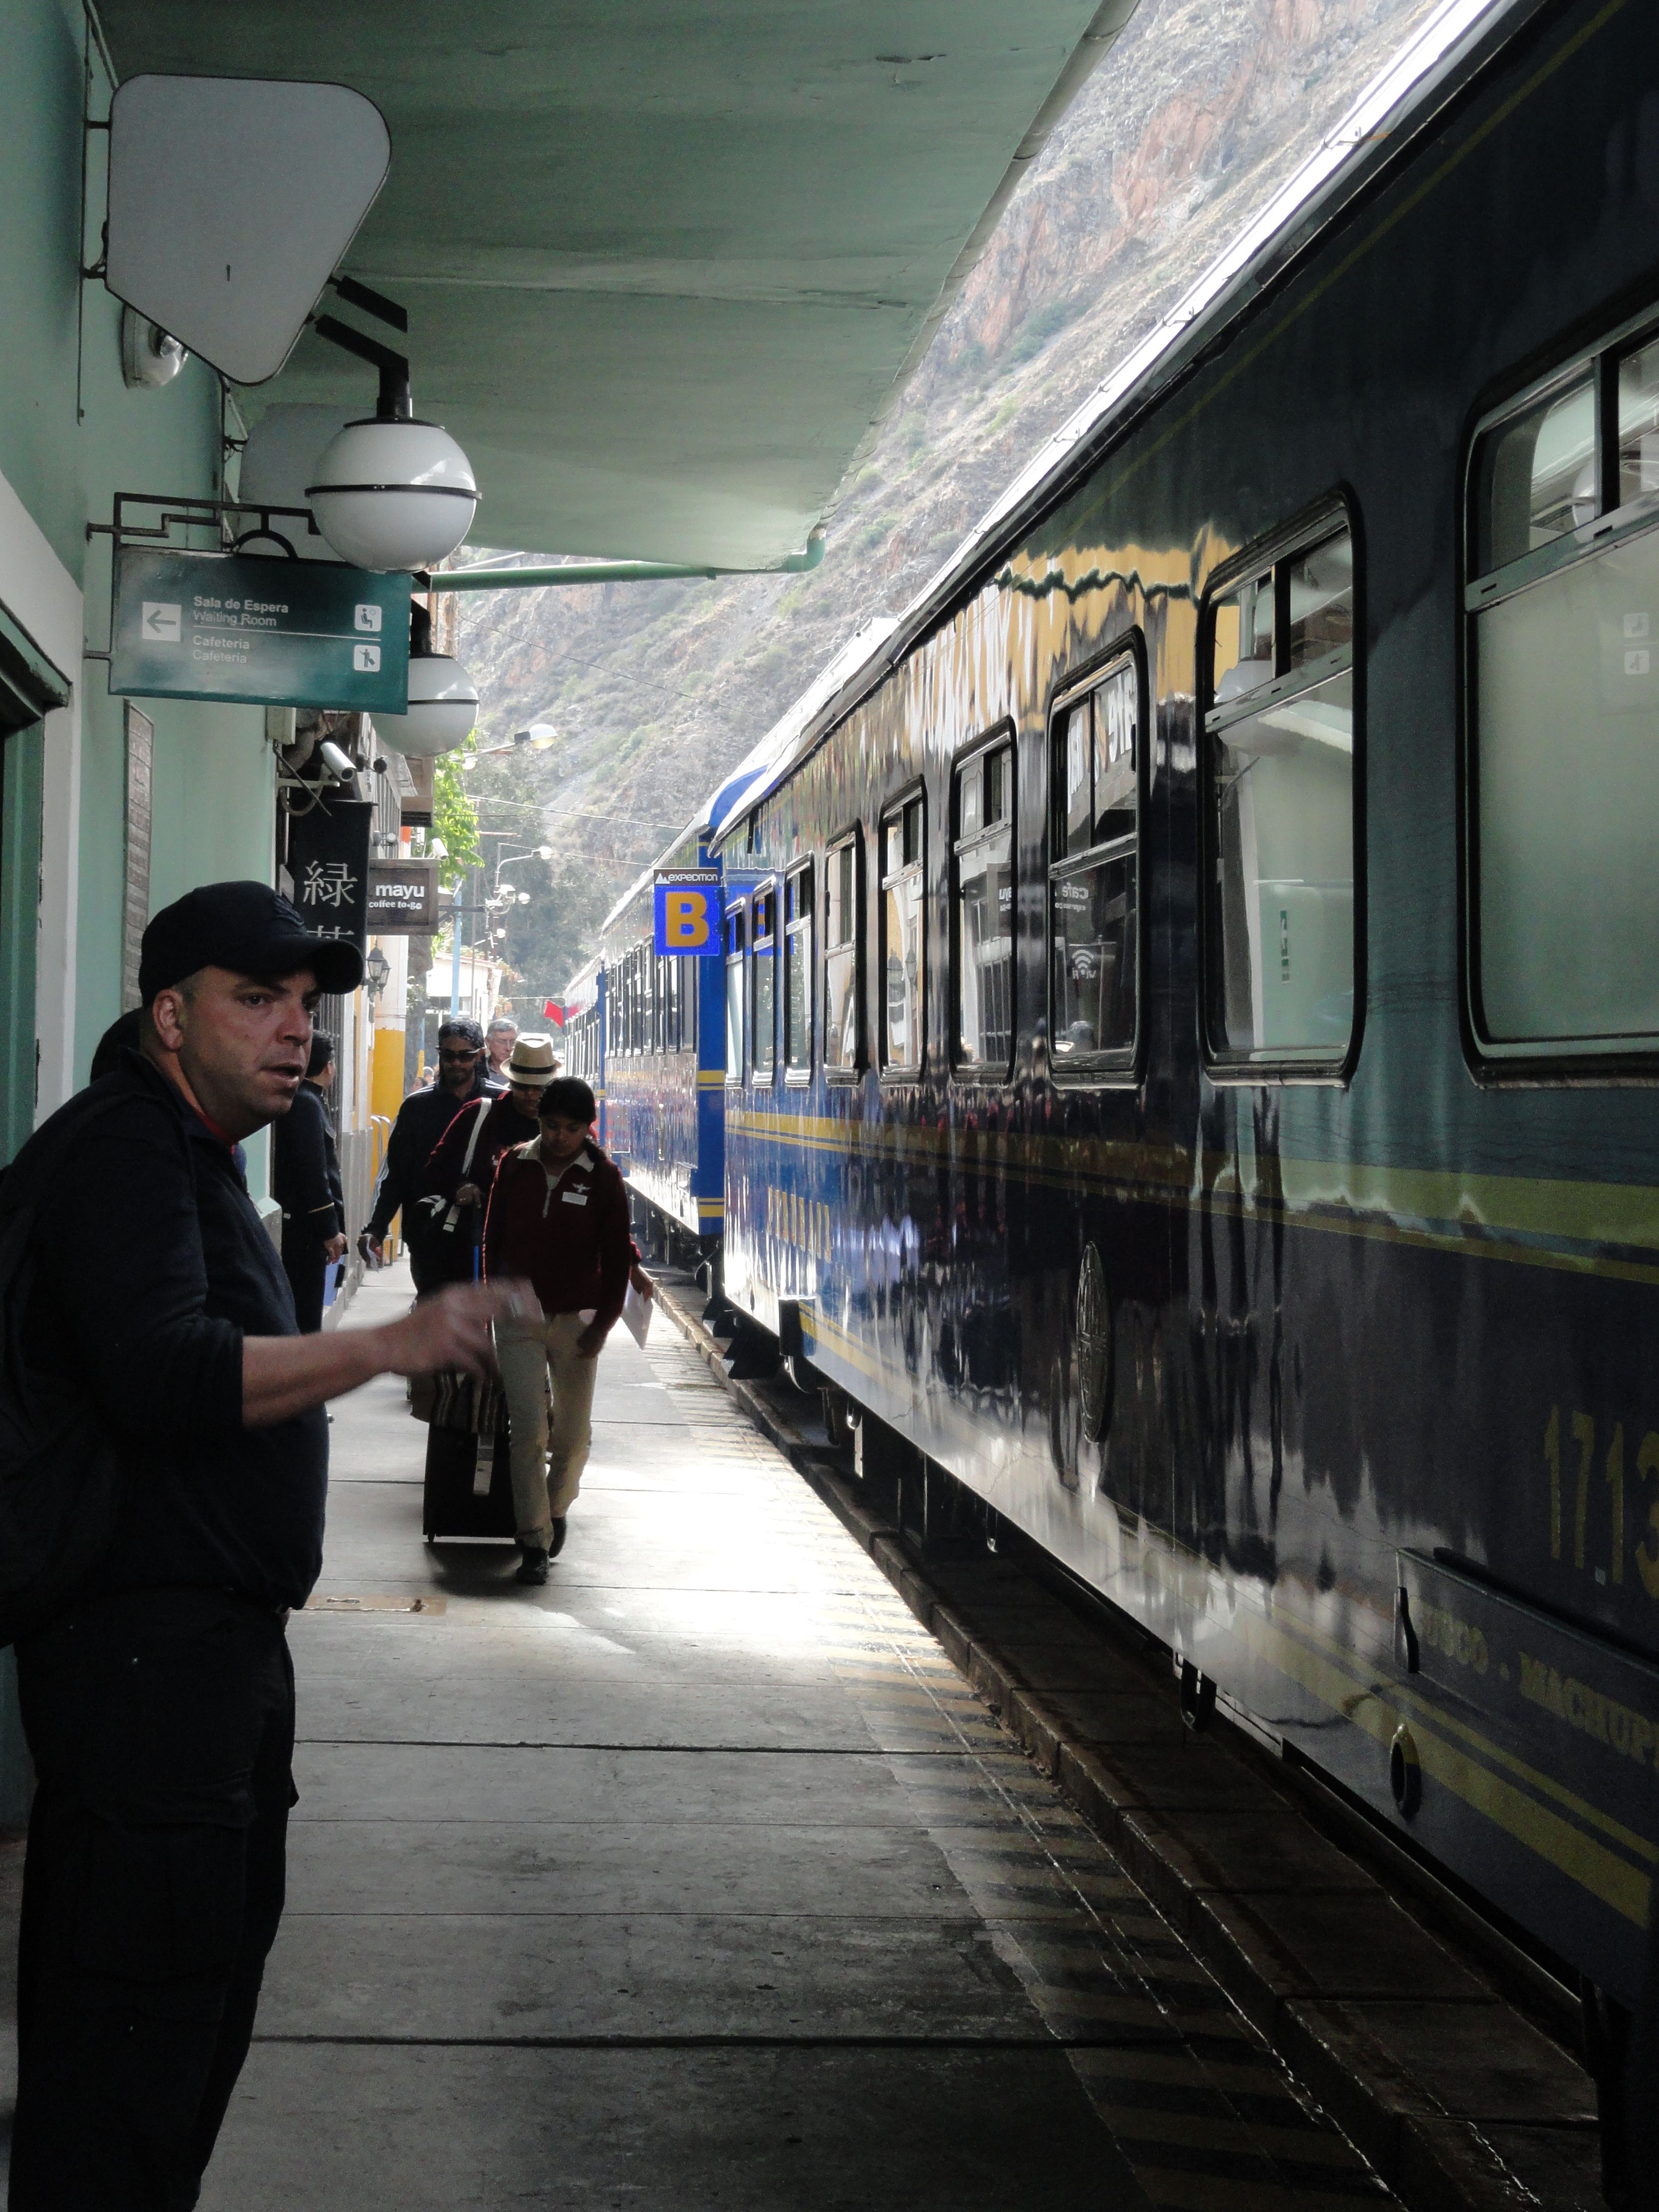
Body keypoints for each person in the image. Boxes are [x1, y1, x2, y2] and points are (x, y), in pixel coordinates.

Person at [3, 880, 511, 2210]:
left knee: (173, 2032)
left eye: (306, 1006)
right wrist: (386, 1344)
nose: (297, 1032)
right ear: (169, 1017)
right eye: (256, 999)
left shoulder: (184, 1152)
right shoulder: (125, 1149)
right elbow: (163, 1374)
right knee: (131, 2055)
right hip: (144, 1678)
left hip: (193, 1674)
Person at [485, 1076, 631, 1584]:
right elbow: (493, 1237)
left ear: (587, 1128)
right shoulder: (514, 1167)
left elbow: (616, 1260)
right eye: (551, 1126)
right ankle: (533, 1542)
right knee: (527, 1428)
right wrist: (495, 1296)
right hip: (519, 1316)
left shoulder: (603, 1178)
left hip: (577, 1320)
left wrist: (605, 1323)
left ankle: (556, 1507)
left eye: (570, 1129)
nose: (559, 1138)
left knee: (570, 1438)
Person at [359, 1016, 500, 1289]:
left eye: (465, 1055)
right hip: (429, 1234)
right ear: (440, 1054)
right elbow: (395, 1175)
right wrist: (377, 1227)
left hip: (485, 1234)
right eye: (449, 1055)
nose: (456, 1063)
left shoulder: (500, 1103)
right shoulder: (416, 1106)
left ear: (480, 1055)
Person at [414, 1034, 558, 1285]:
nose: (532, 1096)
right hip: (473, 1257)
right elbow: (434, 1170)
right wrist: (460, 1187)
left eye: (540, 1089)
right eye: (524, 1087)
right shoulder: (480, 1115)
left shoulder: (565, 1128)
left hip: (541, 1261)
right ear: (511, 1083)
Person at [271, 1029, 347, 1331]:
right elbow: (314, 1173)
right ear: (328, 1066)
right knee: (306, 1313)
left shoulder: (310, 1100)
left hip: (309, 1228)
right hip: (305, 1230)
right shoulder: (305, 1104)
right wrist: (329, 1230)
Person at [484, 1013, 518, 1080]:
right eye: (502, 1042)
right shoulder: (479, 1071)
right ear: (488, 1042)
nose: (508, 1048)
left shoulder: (523, 1070)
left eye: (513, 1042)